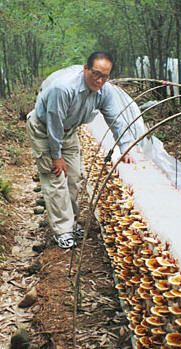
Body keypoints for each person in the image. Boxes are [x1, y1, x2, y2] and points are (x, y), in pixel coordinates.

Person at [27, 51, 135, 249]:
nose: (99, 80)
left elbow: (115, 119)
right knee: (56, 178)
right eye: (95, 74)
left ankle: (72, 222)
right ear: (85, 69)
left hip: (69, 131)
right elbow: (54, 124)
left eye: (105, 76)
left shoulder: (105, 90)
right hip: (45, 131)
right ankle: (63, 231)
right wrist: (56, 156)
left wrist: (125, 146)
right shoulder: (64, 88)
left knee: (74, 177)